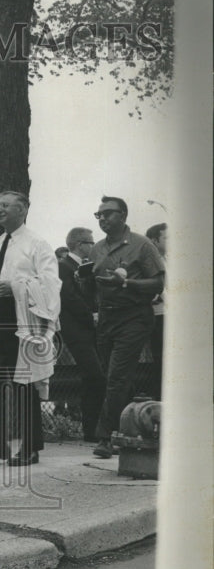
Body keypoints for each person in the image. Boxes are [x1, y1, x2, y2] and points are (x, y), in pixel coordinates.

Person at [0, 190, 60, 467]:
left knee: (25, 383)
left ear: (23, 210)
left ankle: (29, 447)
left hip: (24, 318)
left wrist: (17, 286)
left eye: (6, 205)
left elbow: (50, 283)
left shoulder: (38, 244)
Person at [89, 197, 165, 459]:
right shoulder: (97, 249)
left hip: (134, 317)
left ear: (123, 215)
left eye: (107, 214)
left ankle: (105, 438)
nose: (102, 219)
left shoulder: (141, 245)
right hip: (107, 319)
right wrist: (84, 280)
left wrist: (126, 284)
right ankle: (133, 428)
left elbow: (157, 283)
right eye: (98, 215)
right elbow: (92, 286)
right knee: (110, 377)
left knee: (117, 376)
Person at [57, 227, 106, 441]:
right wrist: (91, 316)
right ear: (79, 244)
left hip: (87, 329)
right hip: (76, 329)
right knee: (95, 376)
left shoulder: (81, 267)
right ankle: (92, 429)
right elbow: (68, 297)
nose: (93, 246)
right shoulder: (63, 267)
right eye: (90, 242)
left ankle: (92, 429)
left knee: (92, 378)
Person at [145, 222, 167, 400]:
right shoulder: (149, 261)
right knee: (161, 360)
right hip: (159, 316)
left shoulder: (169, 259)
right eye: (167, 238)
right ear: (155, 240)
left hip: (171, 315)